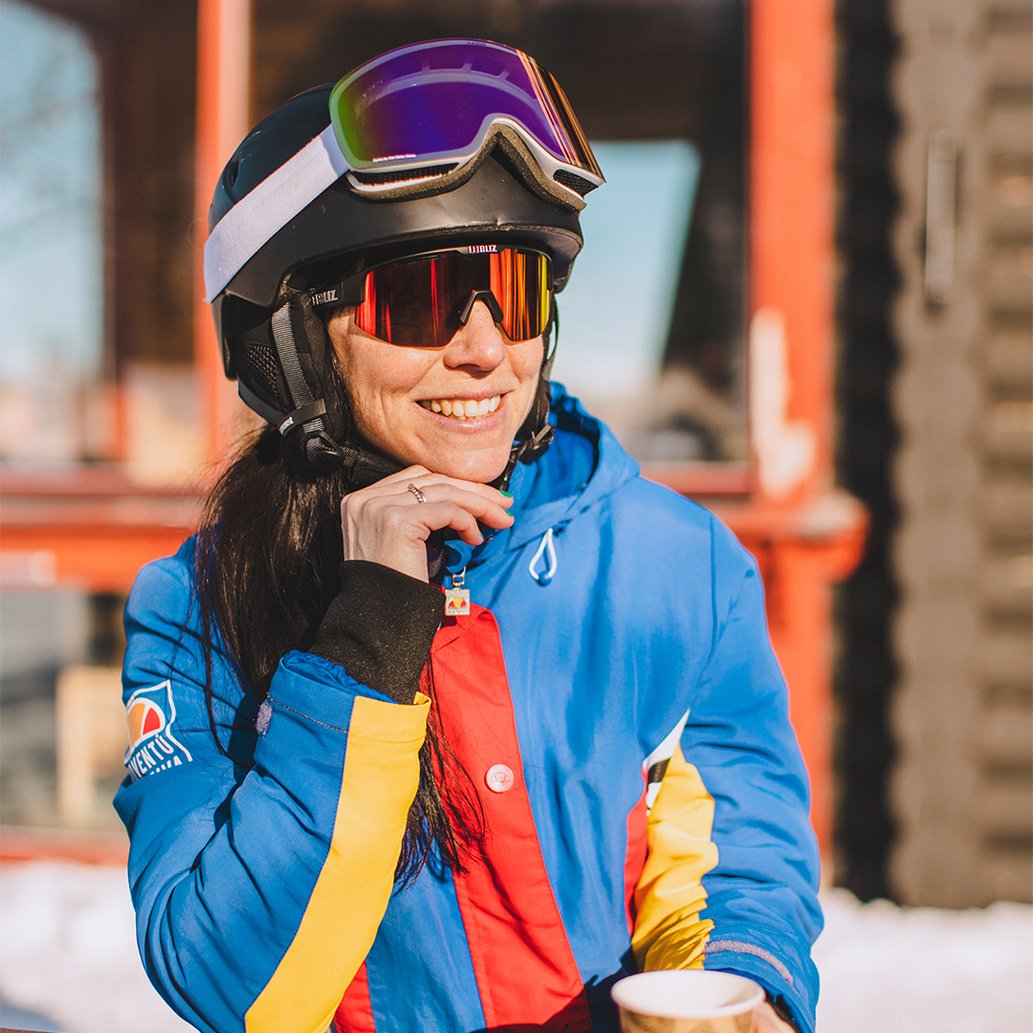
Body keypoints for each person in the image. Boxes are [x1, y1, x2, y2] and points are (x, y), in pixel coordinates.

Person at [114, 38, 820, 1033]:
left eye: (516, 291)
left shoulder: (673, 564)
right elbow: (236, 991)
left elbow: (735, 852)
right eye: (424, 299)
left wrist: (738, 986)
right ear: (294, 343)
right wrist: (366, 636)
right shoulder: (198, 607)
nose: (488, 350)